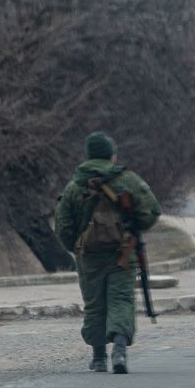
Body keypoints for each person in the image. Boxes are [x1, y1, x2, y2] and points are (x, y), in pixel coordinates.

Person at [54, 131, 161, 374]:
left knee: (94, 304)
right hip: (121, 253)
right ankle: (120, 350)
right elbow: (152, 212)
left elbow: (63, 226)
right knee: (121, 299)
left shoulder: (74, 185)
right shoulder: (127, 180)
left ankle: (99, 357)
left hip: (88, 257)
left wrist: (78, 246)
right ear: (111, 155)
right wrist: (134, 230)